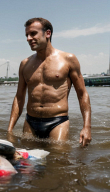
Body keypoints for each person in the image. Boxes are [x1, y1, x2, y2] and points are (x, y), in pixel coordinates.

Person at [7, 18, 92, 147]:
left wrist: (87, 127)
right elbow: (19, 97)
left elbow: (82, 94)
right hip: (30, 122)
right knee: (27, 162)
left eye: (33, 33)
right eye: (27, 35)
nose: (28, 38)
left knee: (57, 161)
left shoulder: (68, 59)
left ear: (47, 33)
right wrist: (10, 130)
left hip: (57, 122)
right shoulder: (25, 64)